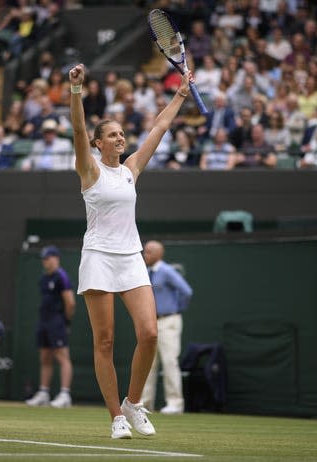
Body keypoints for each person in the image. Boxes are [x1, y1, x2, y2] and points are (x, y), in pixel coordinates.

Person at [69, 62, 191, 439]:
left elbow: (159, 128)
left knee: (149, 333)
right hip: (98, 258)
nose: (121, 139)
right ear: (98, 142)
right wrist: (76, 90)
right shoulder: (88, 169)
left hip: (130, 258)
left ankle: (133, 404)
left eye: (123, 134)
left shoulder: (131, 169)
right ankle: (115, 418)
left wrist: (181, 94)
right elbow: (77, 128)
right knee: (104, 341)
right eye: (113, 135)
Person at [141, 240, 193, 415]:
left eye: (148, 252)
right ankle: (145, 403)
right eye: (144, 251)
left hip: (168, 321)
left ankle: (175, 403)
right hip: (151, 322)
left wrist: (176, 309)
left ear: (158, 254)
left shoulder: (167, 271)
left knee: (170, 361)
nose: (144, 255)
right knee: (148, 363)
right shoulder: (145, 273)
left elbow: (186, 291)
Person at [25, 245, 76, 409]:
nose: (45, 262)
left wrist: (65, 321)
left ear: (56, 258)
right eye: (44, 259)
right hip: (44, 321)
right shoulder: (44, 278)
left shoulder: (62, 277)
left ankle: (65, 394)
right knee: (45, 357)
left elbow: (70, 302)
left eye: (48, 258)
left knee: (62, 357)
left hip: (57, 321)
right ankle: (44, 393)